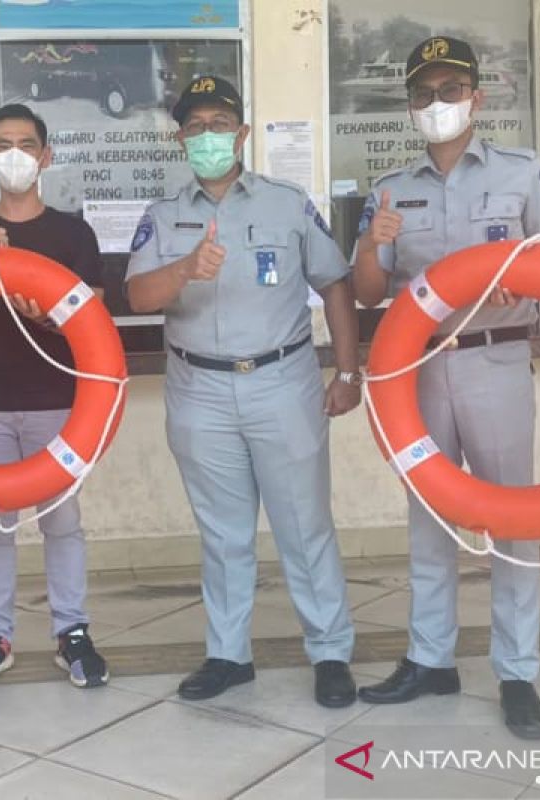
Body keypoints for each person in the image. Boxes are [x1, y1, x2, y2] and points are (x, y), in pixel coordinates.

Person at [350, 36, 540, 739]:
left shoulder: (521, 172)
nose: (437, 103)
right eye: (424, 93)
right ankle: (429, 658)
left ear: (477, 97)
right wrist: (369, 243)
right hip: (420, 370)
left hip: (496, 362)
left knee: (512, 519)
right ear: (410, 105)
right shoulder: (391, 188)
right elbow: (368, 291)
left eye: (450, 90)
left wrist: (523, 278)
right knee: (431, 519)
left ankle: (517, 672)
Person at [126, 76, 363, 708]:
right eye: (196, 125)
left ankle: (331, 651)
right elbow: (137, 296)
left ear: (243, 132)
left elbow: (335, 281)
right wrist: (184, 269)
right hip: (199, 389)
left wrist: (346, 370)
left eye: (220, 121)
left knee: (304, 526)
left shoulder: (287, 204)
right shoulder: (161, 215)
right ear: (181, 139)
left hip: (283, 383)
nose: (209, 134)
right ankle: (229, 655)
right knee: (224, 534)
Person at [0, 104, 109, 693]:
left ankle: (72, 630)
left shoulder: (72, 233)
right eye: (3, 144)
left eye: (27, 144)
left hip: (56, 397)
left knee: (62, 521)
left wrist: (52, 319)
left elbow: (92, 324)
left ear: (46, 156)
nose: (15, 154)